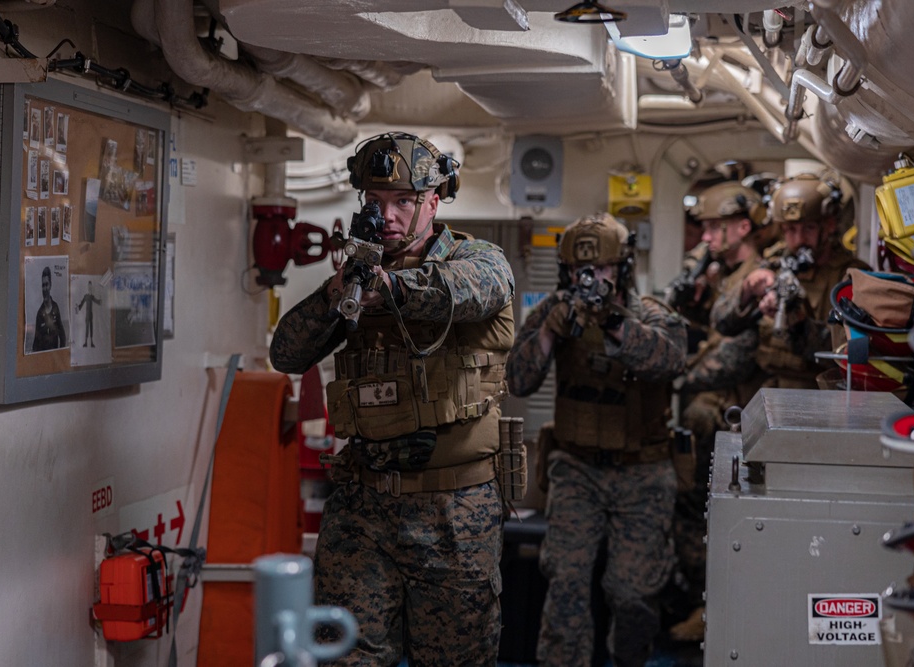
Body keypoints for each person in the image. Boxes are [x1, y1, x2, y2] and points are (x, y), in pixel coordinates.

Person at [269, 132, 515, 666]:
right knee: (342, 656)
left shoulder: (480, 259)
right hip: (362, 508)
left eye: (404, 200)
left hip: (453, 508)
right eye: (377, 203)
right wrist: (339, 292)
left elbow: (469, 291)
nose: (389, 216)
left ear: (433, 200)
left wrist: (393, 288)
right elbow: (286, 354)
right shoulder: (356, 280)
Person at [505, 213, 686, 667]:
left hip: (642, 472)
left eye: (602, 269)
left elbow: (670, 361)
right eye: (579, 271)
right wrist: (548, 332)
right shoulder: (554, 312)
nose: (589, 278)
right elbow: (518, 381)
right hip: (577, 470)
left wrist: (613, 323)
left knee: (632, 595)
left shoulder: (649, 313)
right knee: (564, 581)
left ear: (621, 269)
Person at [667, 181, 774, 641]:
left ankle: (718, 609)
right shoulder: (723, 276)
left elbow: (740, 352)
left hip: (732, 414)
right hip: (711, 408)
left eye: (715, 227)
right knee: (695, 509)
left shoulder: (758, 278)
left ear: (743, 227)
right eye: (705, 227)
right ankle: (704, 602)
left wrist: (676, 378)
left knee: (714, 513)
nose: (707, 236)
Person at [712, 172, 869, 388]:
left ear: (830, 225)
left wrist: (797, 321)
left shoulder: (851, 276)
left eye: (809, 228)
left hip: (819, 390)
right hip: (768, 385)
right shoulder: (773, 263)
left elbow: (852, 352)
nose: (798, 240)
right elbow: (721, 322)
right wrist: (747, 289)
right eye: (790, 230)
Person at [32, 265, 66, 352]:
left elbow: (62, 336)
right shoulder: (39, 314)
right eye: (43, 285)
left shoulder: (55, 307)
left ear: (50, 285)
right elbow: (36, 343)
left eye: (46, 284)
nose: (45, 289)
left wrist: (61, 354)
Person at [76, 280, 102, 347]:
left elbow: (98, 302)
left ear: (91, 287)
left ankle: (92, 343)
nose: (89, 287)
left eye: (90, 286)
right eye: (88, 286)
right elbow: (81, 304)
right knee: (87, 328)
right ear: (87, 287)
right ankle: (85, 342)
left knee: (91, 328)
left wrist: (100, 299)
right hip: (87, 315)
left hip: (91, 315)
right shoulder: (86, 296)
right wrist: (77, 307)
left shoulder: (92, 296)